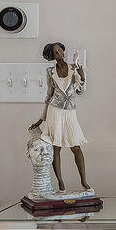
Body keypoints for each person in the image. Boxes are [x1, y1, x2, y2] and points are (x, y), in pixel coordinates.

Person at [30, 42, 91, 192]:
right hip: (54, 111)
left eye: (60, 50)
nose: (59, 54)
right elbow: (48, 95)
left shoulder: (74, 68)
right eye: (55, 53)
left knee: (76, 147)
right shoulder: (50, 71)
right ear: (52, 56)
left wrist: (82, 78)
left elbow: (79, 92)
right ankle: (60, 183)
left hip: (70, 112)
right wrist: (41, 119)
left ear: (64, 51)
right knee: (56, 147)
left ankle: (84, 182)